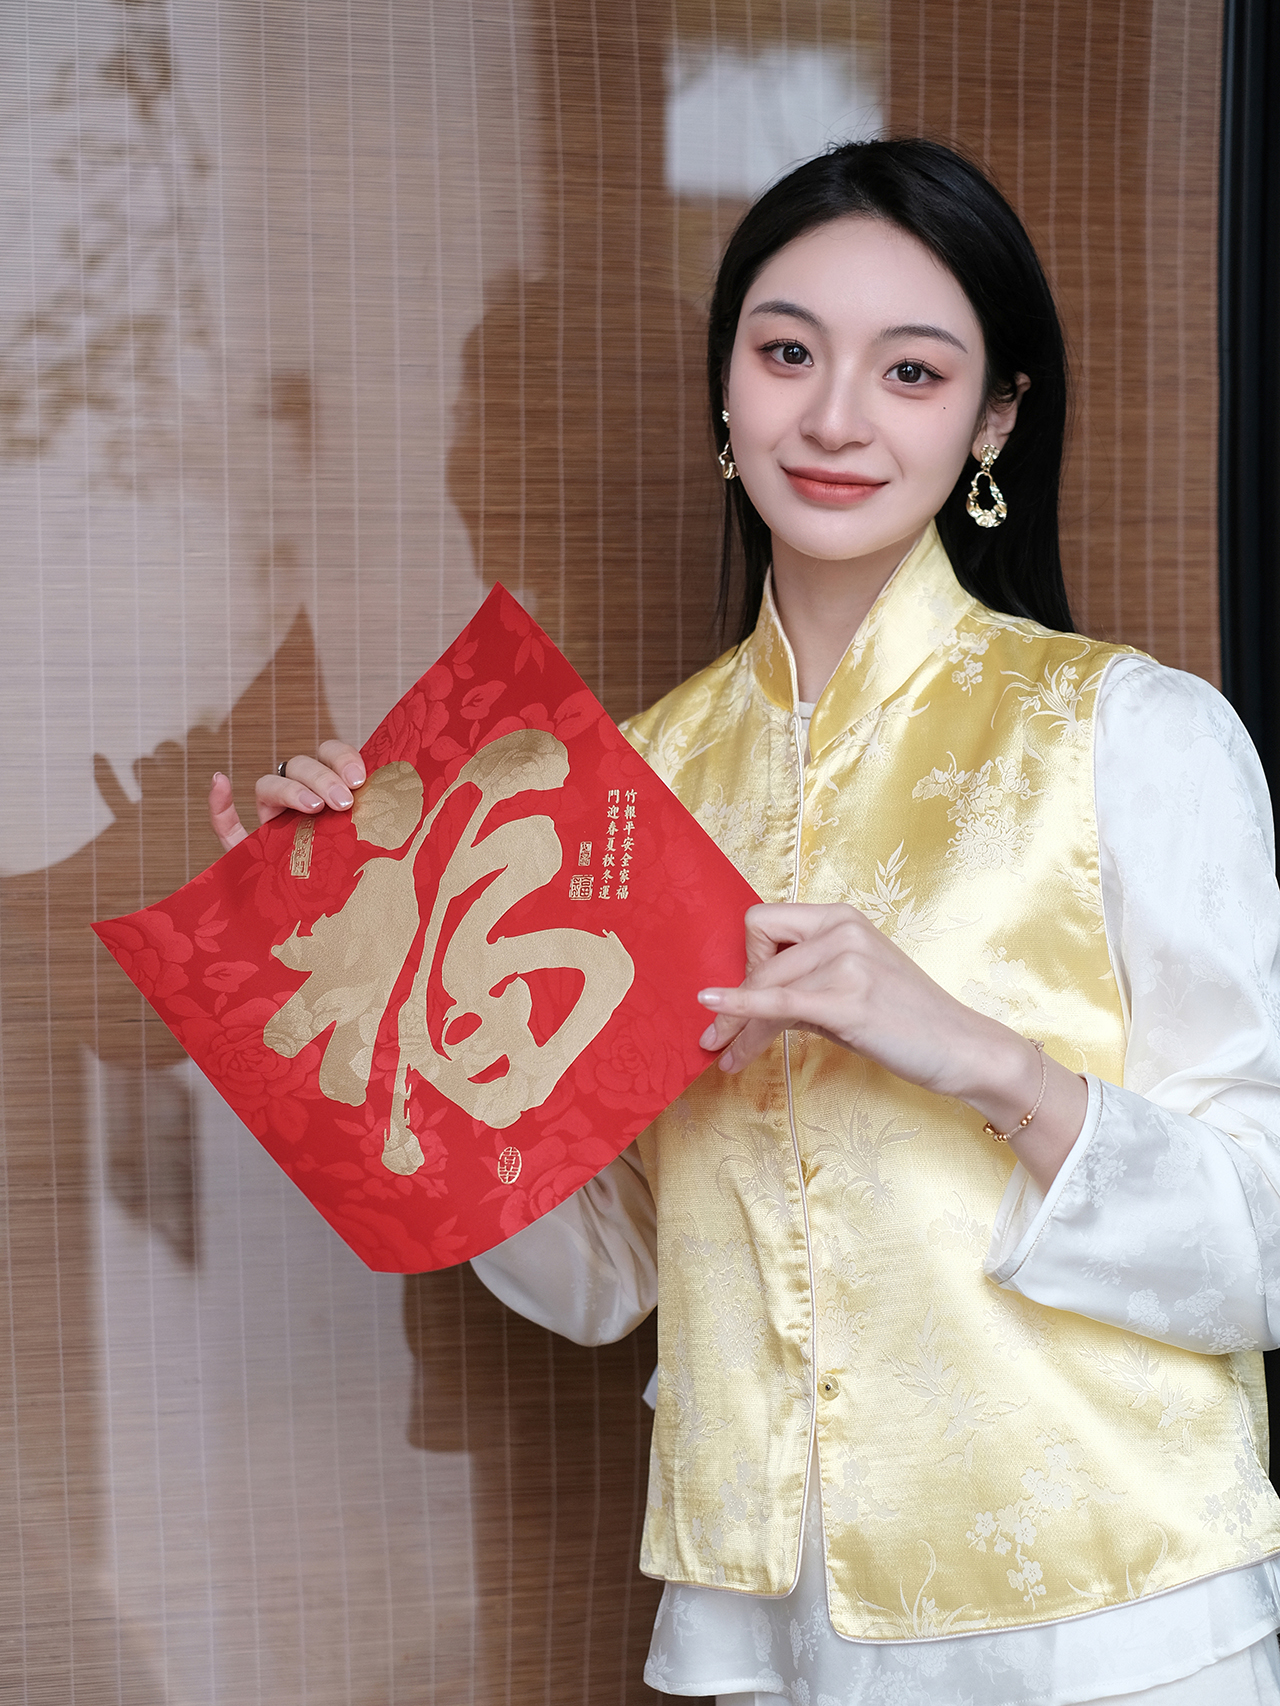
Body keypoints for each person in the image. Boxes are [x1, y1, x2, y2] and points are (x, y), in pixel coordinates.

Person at [210, 140, 1280, 1703]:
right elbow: (607, 1273)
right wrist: (362, 991)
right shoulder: (621, 789)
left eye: (911, 371)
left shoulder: (1134, 734)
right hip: (770, 1641)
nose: (835, 417)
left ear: (993, 419)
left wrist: (982, 1057)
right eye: (787, 353)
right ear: (727, 389)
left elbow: (1262, 1238)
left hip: (1113, 1632)